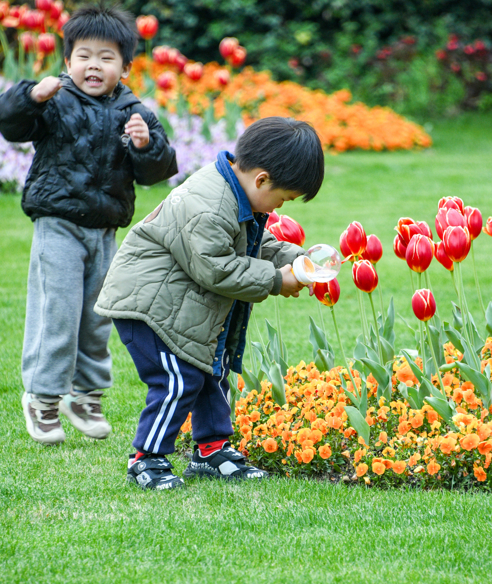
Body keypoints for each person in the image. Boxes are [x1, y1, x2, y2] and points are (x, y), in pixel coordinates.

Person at [94, 116, 324, 490]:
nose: (280, 206)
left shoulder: (237, 194)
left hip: (182, 306)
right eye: (283, 198)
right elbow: (217, 268)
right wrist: (275, 280)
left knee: (211, 372)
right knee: (178, 380)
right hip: (149, 307)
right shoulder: (210, 205)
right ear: (262, 180)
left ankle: (211, 451)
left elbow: (254, 245)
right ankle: (146, 459)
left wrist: (297, 260)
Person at [0, 5, 178, 446]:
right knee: (58, 312)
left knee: (98, 317)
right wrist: (30, 97)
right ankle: (43, 398)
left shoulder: (134, 113)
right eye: (84, 56)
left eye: (106, 57)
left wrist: (146, 146)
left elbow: (158, 170)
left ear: (125, 67)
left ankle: (86, 396)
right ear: (68, 60)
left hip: (104, 231)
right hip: (57, 225)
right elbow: (9, 122)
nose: (94, 65)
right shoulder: (54, 100)